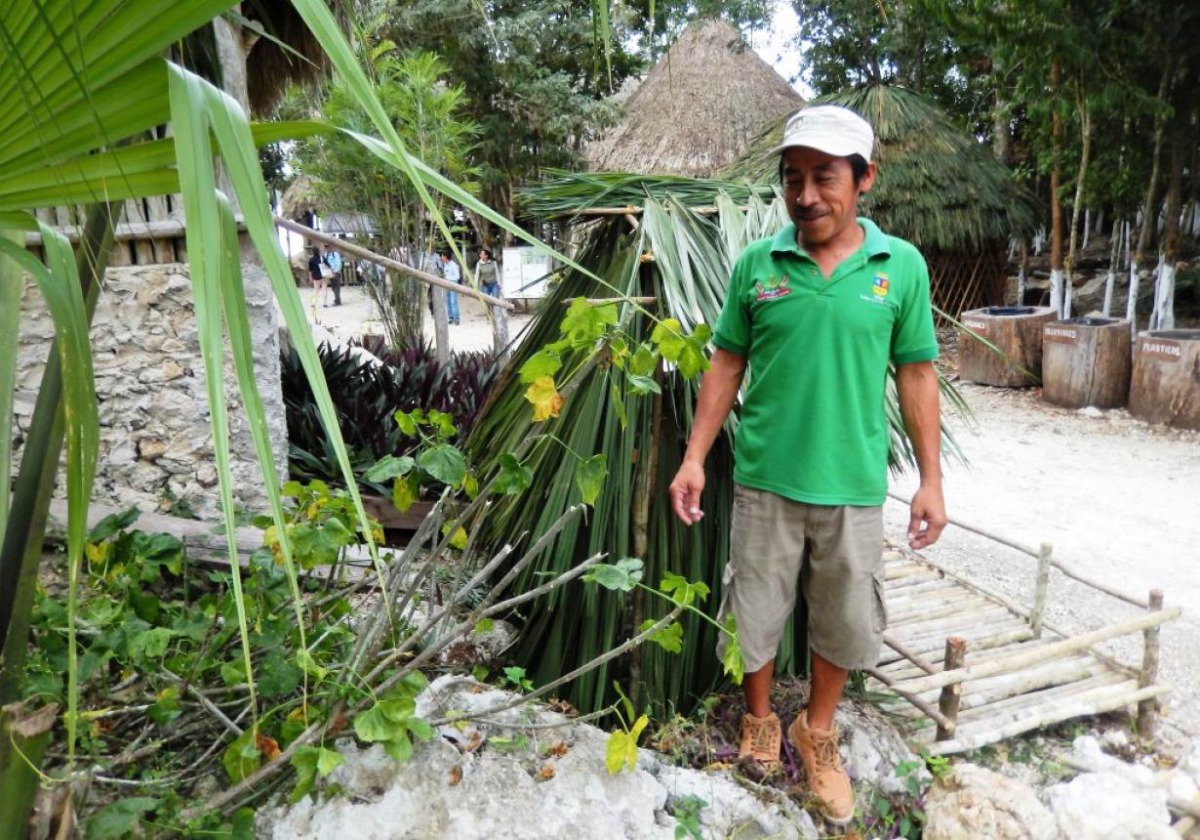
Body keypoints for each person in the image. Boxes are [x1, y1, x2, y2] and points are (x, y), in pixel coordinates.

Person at [667, 105, 946, 826]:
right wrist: (695, 456)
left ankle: (815, 731)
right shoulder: (758, 266)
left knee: (849, 619)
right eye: (793, 179)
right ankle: (760, 720)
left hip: (853, 484)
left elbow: (917, 373)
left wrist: (931, 480)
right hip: (764, 478)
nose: (807, 195)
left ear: (864, 181)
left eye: (824, 177)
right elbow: (727, 361)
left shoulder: (900, 268)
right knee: (756, 607)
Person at [438, 249, 461, 325]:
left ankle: (456, 318)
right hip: (446, 285)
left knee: (453, 301)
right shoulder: (445, 265)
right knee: (447, 301)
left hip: (453, 285)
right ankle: (450, 317)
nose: (441, 258)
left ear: (446, 257)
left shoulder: (453, 265)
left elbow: (457, 276)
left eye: (442, 256)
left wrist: (448, 278)